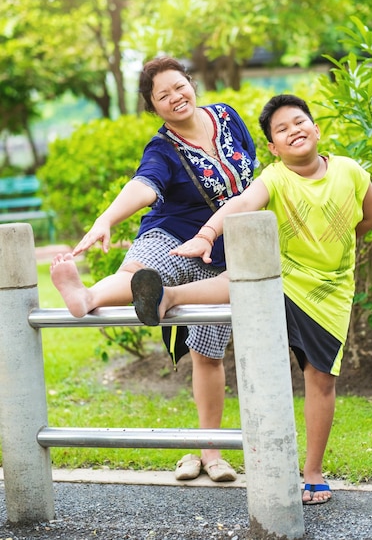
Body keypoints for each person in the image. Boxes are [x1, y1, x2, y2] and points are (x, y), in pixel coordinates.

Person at [130, 93, 372, 504]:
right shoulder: (274, 178)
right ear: (273, 148)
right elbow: (240, 203)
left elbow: (370, 216)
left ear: (316, 130)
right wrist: (207, 234)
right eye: (281, 130)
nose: (293, 131)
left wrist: (343, 246)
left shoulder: (351, 172)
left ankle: (313, 472)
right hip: (283, 277)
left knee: (320, 378)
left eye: (299, 122)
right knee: (239, 279)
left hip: (330, 290)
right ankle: (167, 296)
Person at [50, 56, 258, 483]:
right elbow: (144, 185)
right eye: (163, 96)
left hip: (224, 252)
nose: (175, 98)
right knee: (138, 274)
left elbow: (251, 174)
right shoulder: (162, 147)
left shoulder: (227, 117)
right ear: (153, 106)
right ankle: (86, 297)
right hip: (173, 236)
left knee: (208, 354)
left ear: (190, 84)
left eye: (178, 87)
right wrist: (107, 219)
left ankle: (210, 454)